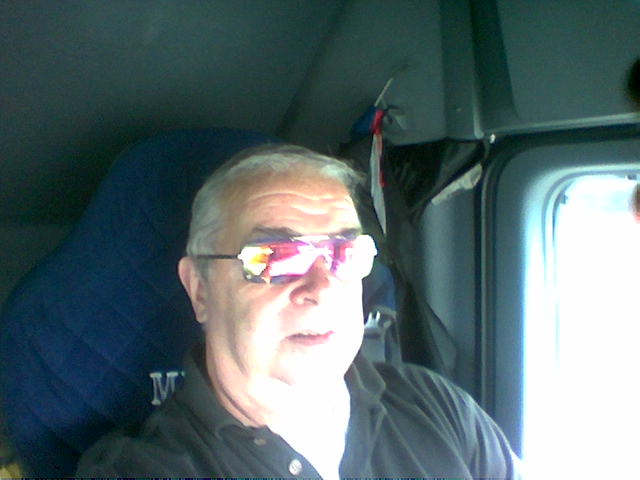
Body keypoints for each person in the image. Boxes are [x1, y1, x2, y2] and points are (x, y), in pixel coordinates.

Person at [76, 144, 522, 478]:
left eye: (344, 253)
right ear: (200, 290)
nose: (322, 288)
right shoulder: (138, 470)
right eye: (276, 257)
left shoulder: (436, 406)